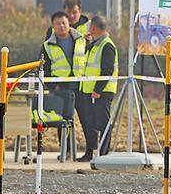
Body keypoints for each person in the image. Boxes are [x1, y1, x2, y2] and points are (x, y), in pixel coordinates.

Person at [42, 11, 86, 149]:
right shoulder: (48, 45)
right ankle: (65, 149)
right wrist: (52, 86)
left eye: (64, 23)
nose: (61, 26)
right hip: (61, 88)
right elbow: (44, 68)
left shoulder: (81, 40)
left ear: (69, 24)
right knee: (63, 120)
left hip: (81, 86)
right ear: (53, 26)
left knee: (86, 119)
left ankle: (90, 150)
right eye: (58, 23)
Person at [77, 15, 118, 162]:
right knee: (90, 123)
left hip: (101, 92)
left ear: (93, 27)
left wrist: (98, 90)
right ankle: (91, 152)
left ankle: (103, 154)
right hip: (89, 91)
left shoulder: (107, 45)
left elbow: (107, 70)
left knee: (102, 123)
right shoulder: (94, 44)